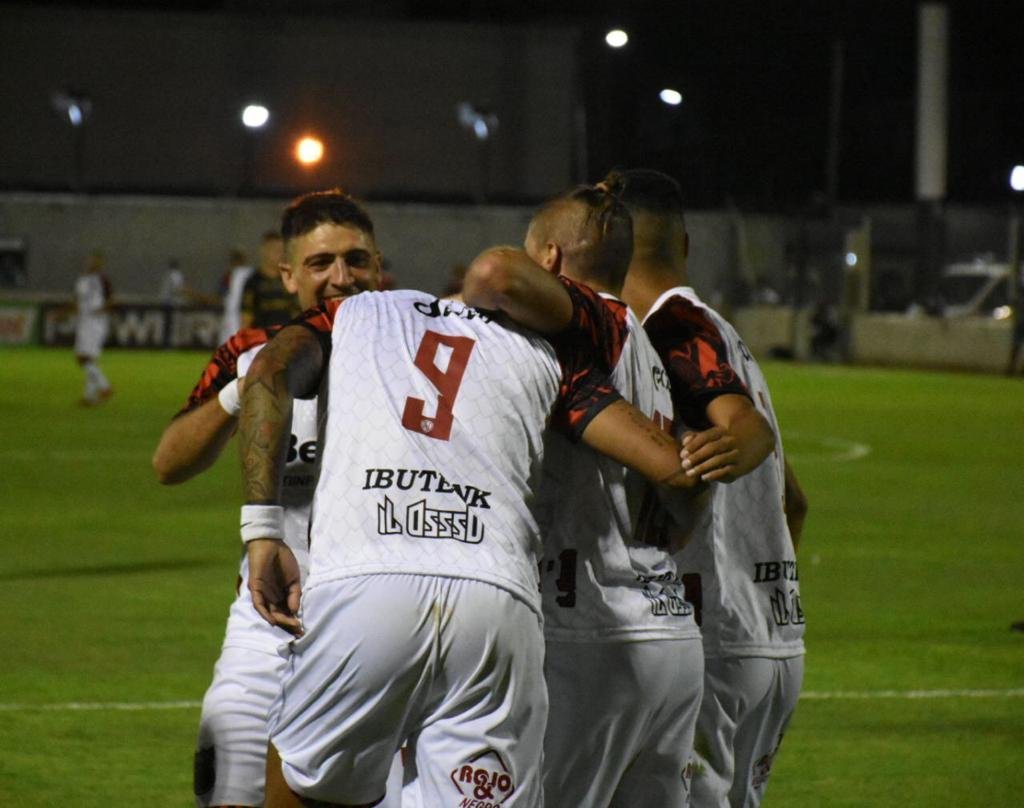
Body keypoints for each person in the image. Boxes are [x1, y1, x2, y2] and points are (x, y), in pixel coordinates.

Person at [238, 249, 701, 806]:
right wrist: (699, 472)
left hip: (367, 588)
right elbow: (675, 469)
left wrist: (263, 528)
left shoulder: (351, 315)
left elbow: (267, 373)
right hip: (495, 603)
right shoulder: (546, 351)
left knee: (302, 783)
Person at [463, 181, 742, 806]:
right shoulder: (649, 351)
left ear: (550, 260)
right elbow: (686, 491)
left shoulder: (592, 328)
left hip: (588, 631)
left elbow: (498, 276)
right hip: (668, 632)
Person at [152, 189, 385, 808]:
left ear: (379, 264)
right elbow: (169, 463)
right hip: (266, 624)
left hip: (379, 629)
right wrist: (247, 387)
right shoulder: (249, 351)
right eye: (321, 263)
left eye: (357, 259)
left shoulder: (420, 352)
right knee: (224, 786)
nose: (342, 278)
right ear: (287, 275)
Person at [615, 167, 808, 808]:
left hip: (710, 640)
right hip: (775, 635)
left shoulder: (666, 333)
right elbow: (795, 501)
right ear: (686, 244)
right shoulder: (726, 337)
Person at [73, 249, 114, 406]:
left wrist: (101, 310)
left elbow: (112, 300)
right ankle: (89, 397)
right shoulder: (82, 280)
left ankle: (105, 386)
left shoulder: (103, 280)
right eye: (90, 260)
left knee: (82, 358)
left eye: (95, 260)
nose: (91, 263)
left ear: (101, 263)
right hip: (84, 322)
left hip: (95, 323)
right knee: (89, 360)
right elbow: (77, 301)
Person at [240, 231, 295, 328]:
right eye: (276, 250)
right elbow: (246, 317)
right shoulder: (254, 282)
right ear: (264, 251)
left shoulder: (289, 279)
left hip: (287, 335)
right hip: (263, 335)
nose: (280, 254)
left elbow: (297, 312)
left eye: (282, 250)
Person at [219, 248, 254, 342]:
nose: (236, 262)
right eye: (234, 259)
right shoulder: (228, 277)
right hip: (231, 316)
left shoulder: (249, 275)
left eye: (238, 258)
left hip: (242, 316)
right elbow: (222, 298)